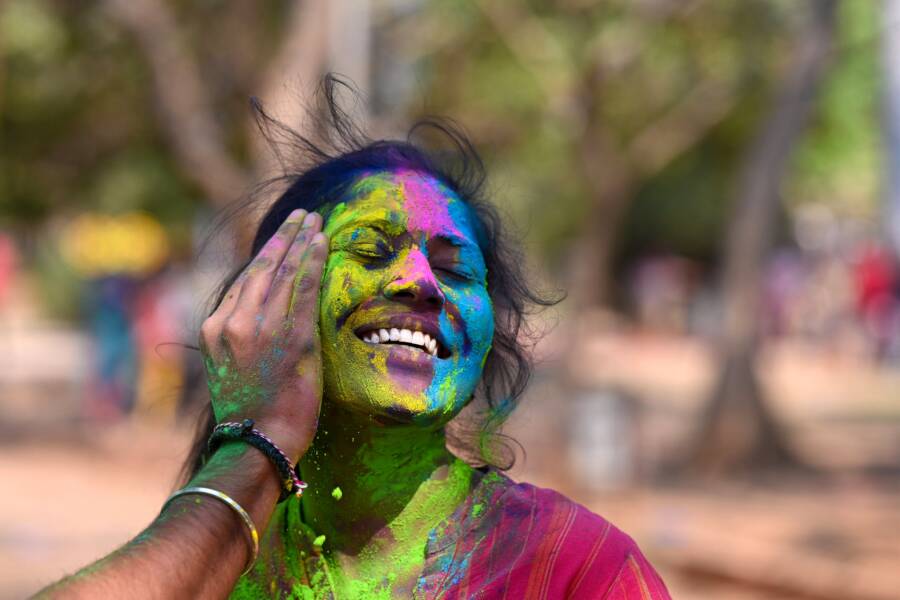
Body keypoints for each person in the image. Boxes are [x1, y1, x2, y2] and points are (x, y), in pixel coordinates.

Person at [37, 78, 670, 599]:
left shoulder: (576, 567)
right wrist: (259, 444)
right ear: (276, 299)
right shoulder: (211, 562)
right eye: (371, 248)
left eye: (455, 269)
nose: (421, 283)